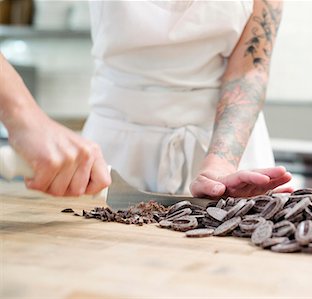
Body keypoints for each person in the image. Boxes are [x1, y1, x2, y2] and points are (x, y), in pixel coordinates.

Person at [0, 0, 292, 198]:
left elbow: (250, 68)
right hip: (111, 163)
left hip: (228, 155)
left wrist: (221, 165)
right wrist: (25, 118)